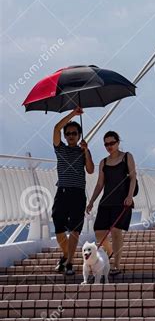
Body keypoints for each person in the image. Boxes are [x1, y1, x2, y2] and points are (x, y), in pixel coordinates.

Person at [86, 131, 136, 275]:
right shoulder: (104, 162)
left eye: (112, 143)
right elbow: (100, 184)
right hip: (106, 201)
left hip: (122, 201)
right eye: (106, 144)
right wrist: (91, 202)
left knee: (115, 232)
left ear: (118, 142)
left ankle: (116, 266)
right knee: (99, 232)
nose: (109, 146)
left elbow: (133, 177)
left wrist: (130, 196)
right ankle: (110, 251)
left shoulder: (127, 157)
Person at [52, 107, 94, 274]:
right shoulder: (60, 148)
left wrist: (86, 152)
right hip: (62, 192)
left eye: (74, 133)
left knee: (75, 229)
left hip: (78, 193)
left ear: (79, 135)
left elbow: (90, 170)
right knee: (58, 227)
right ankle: (65, 254)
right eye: (68, 133)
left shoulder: (83, 150)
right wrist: (73, 114)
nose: (71, 136)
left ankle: (69, 262)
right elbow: (56, 128)